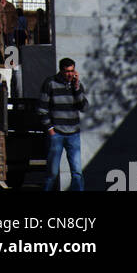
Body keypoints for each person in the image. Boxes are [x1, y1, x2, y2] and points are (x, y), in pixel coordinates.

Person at [38, 57, 88, 192]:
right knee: (52, 173)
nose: (70, 74)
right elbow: (42, 109)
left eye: (72, 71)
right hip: (57, 134)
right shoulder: (50, 83)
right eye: (67, 72)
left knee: (77, 172)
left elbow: (83, 107)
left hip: (74, 134)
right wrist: (51, 130)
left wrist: (77, 88)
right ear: (61, 71)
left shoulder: (76, 84)